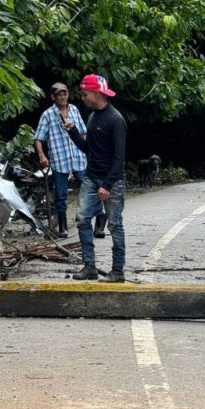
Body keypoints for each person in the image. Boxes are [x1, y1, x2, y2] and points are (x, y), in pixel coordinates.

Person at [64, 74, 126, 283]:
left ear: (96, 93)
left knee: (115, 224)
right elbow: (88, 149)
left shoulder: (116, 120)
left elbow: (119, 158)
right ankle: (89, 266)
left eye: (84, 93)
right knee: (82, 219)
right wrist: (73, 133)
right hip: (92, 176)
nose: (82, 97)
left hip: (112, 180)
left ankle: (118, 270)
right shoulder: (92, 117)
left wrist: (107, 185)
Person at [33, 82, 106, 238]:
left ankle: (100, 221)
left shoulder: (74, 110)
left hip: (78, 157)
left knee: (89, 189)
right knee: (60, 194)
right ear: (53, 97)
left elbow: (84, 132)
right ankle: (63, 227)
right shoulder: (47, 114)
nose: (62, 96)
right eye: (59, 94)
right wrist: (41, 155)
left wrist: (88, 150)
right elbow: (38, 138)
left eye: (64, 93)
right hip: (60, 160)